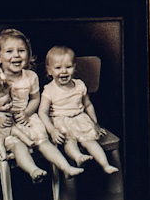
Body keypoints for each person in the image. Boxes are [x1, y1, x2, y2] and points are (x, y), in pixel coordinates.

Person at [0, 29, 79, 183]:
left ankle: (66, 167)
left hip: (26, 118)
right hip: (1, 122)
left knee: (43, 141)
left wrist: (27, 112)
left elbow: (35, 99)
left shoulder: (31, 77)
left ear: (28, 55)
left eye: (21, 51)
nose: (16, 55)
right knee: (17, 145)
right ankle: (33, 170)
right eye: (9, 51)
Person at [39, 46, 118, 174]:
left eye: (68, 67)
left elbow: (88, 105)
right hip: (60, 121)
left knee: (90, 141)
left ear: (75, 67)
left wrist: (95, 123)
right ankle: (78, 157)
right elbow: (42, 112)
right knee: (69, 142)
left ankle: (105, 164)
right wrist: (52, 130)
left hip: (80, 119)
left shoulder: (80, 85)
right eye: (58, 68)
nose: (64, 71)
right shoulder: (49, 89)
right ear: (49, 70)